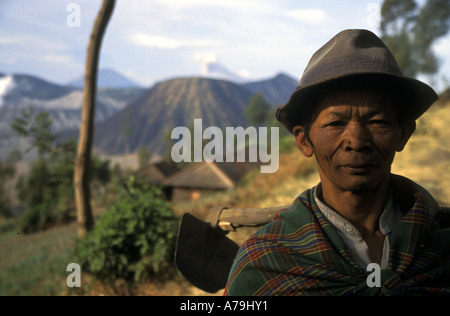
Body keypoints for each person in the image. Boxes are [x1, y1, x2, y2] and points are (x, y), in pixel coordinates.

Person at [223, 29, 450, 296]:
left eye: (377, 121)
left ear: (404, 134)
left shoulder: (440, 247)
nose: (356, 140)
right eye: (335, 123)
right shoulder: (266, 263)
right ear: (304, 140)